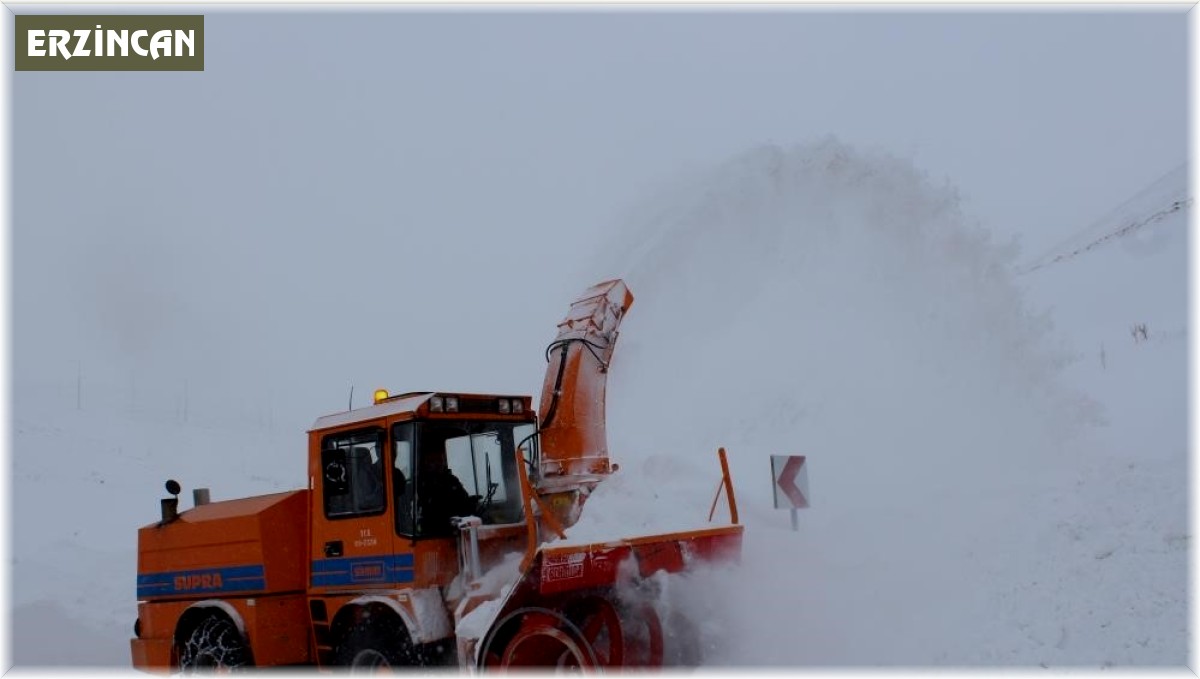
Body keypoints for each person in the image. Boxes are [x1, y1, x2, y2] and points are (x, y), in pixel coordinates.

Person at [416, 453, 476, 535]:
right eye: (433, 461)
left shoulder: (452, 480)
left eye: (440, 460)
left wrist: (471, 502)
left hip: (454, 529)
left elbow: (464, 500)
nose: (438, 464)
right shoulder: (420, 483)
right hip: (430, 532)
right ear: (426, 463)